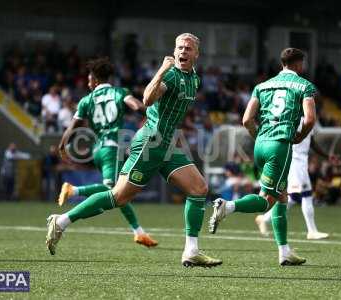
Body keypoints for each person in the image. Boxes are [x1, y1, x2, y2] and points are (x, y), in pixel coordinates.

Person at [46, 33, 222, 268]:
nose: (182, 52)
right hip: (149, 143)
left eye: (188, 49)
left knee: (199, 188)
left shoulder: (194, 80)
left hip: (166, 144)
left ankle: (191, 251)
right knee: (118, 196)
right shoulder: (169, 74)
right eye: (179, 47)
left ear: (196, 54)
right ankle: (61, 221)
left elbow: (172, 112)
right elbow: (147, 100)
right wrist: (160, 70)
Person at [209, 48, 317, 266]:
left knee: (282, 197)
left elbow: (247, 119)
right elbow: (310, 119)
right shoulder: (304, 85)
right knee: (267, 202)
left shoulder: (262, 86)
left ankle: (284, 251)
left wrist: (260, 137)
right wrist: (299, 136)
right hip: (280, 146)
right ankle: (227, 206)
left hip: (260, 145)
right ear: (299, 64)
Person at [52, 57, 158, 248]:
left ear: (94, 79)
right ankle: (74, 191)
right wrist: (154, 113)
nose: (87, 82)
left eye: (89, 79)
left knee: (119, 192)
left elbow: (73, 126)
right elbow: (137, 106)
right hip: (112, 148)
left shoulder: (86, 100)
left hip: (98, 150)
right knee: (114, 191)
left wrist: (62, 146)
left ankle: (139, 232)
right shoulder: (119, 92)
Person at [255, 119, 341, 239]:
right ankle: (312, 231)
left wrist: (327, 156)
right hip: (294, 160)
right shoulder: (294, 115)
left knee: (294, 196)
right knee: (305, 194)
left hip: (301, 161)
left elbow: (311, 142)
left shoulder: (307, 116)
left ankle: (264, 219)